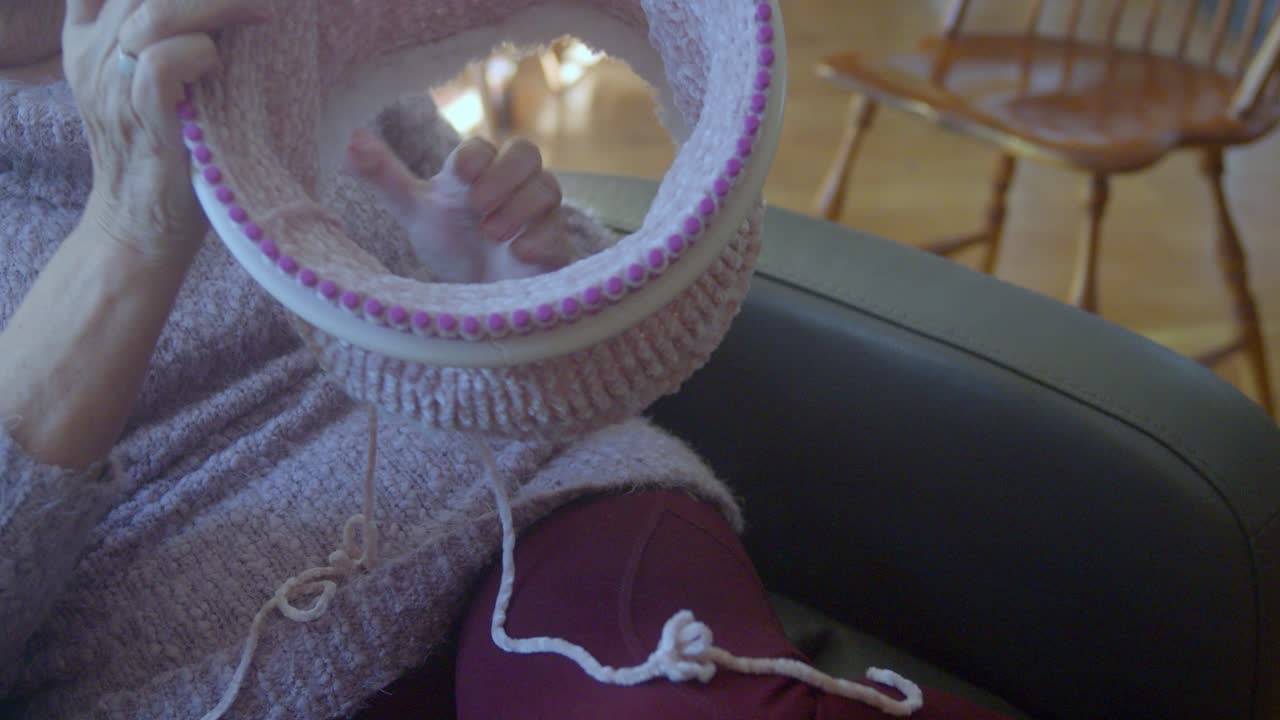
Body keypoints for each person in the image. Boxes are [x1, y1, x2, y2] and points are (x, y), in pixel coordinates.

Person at [0, 2, 1016, 718]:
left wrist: (490, 276)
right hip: (198, 664)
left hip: (527, 514)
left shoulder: (264, 25)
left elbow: (551, 324)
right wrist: (129, 224)